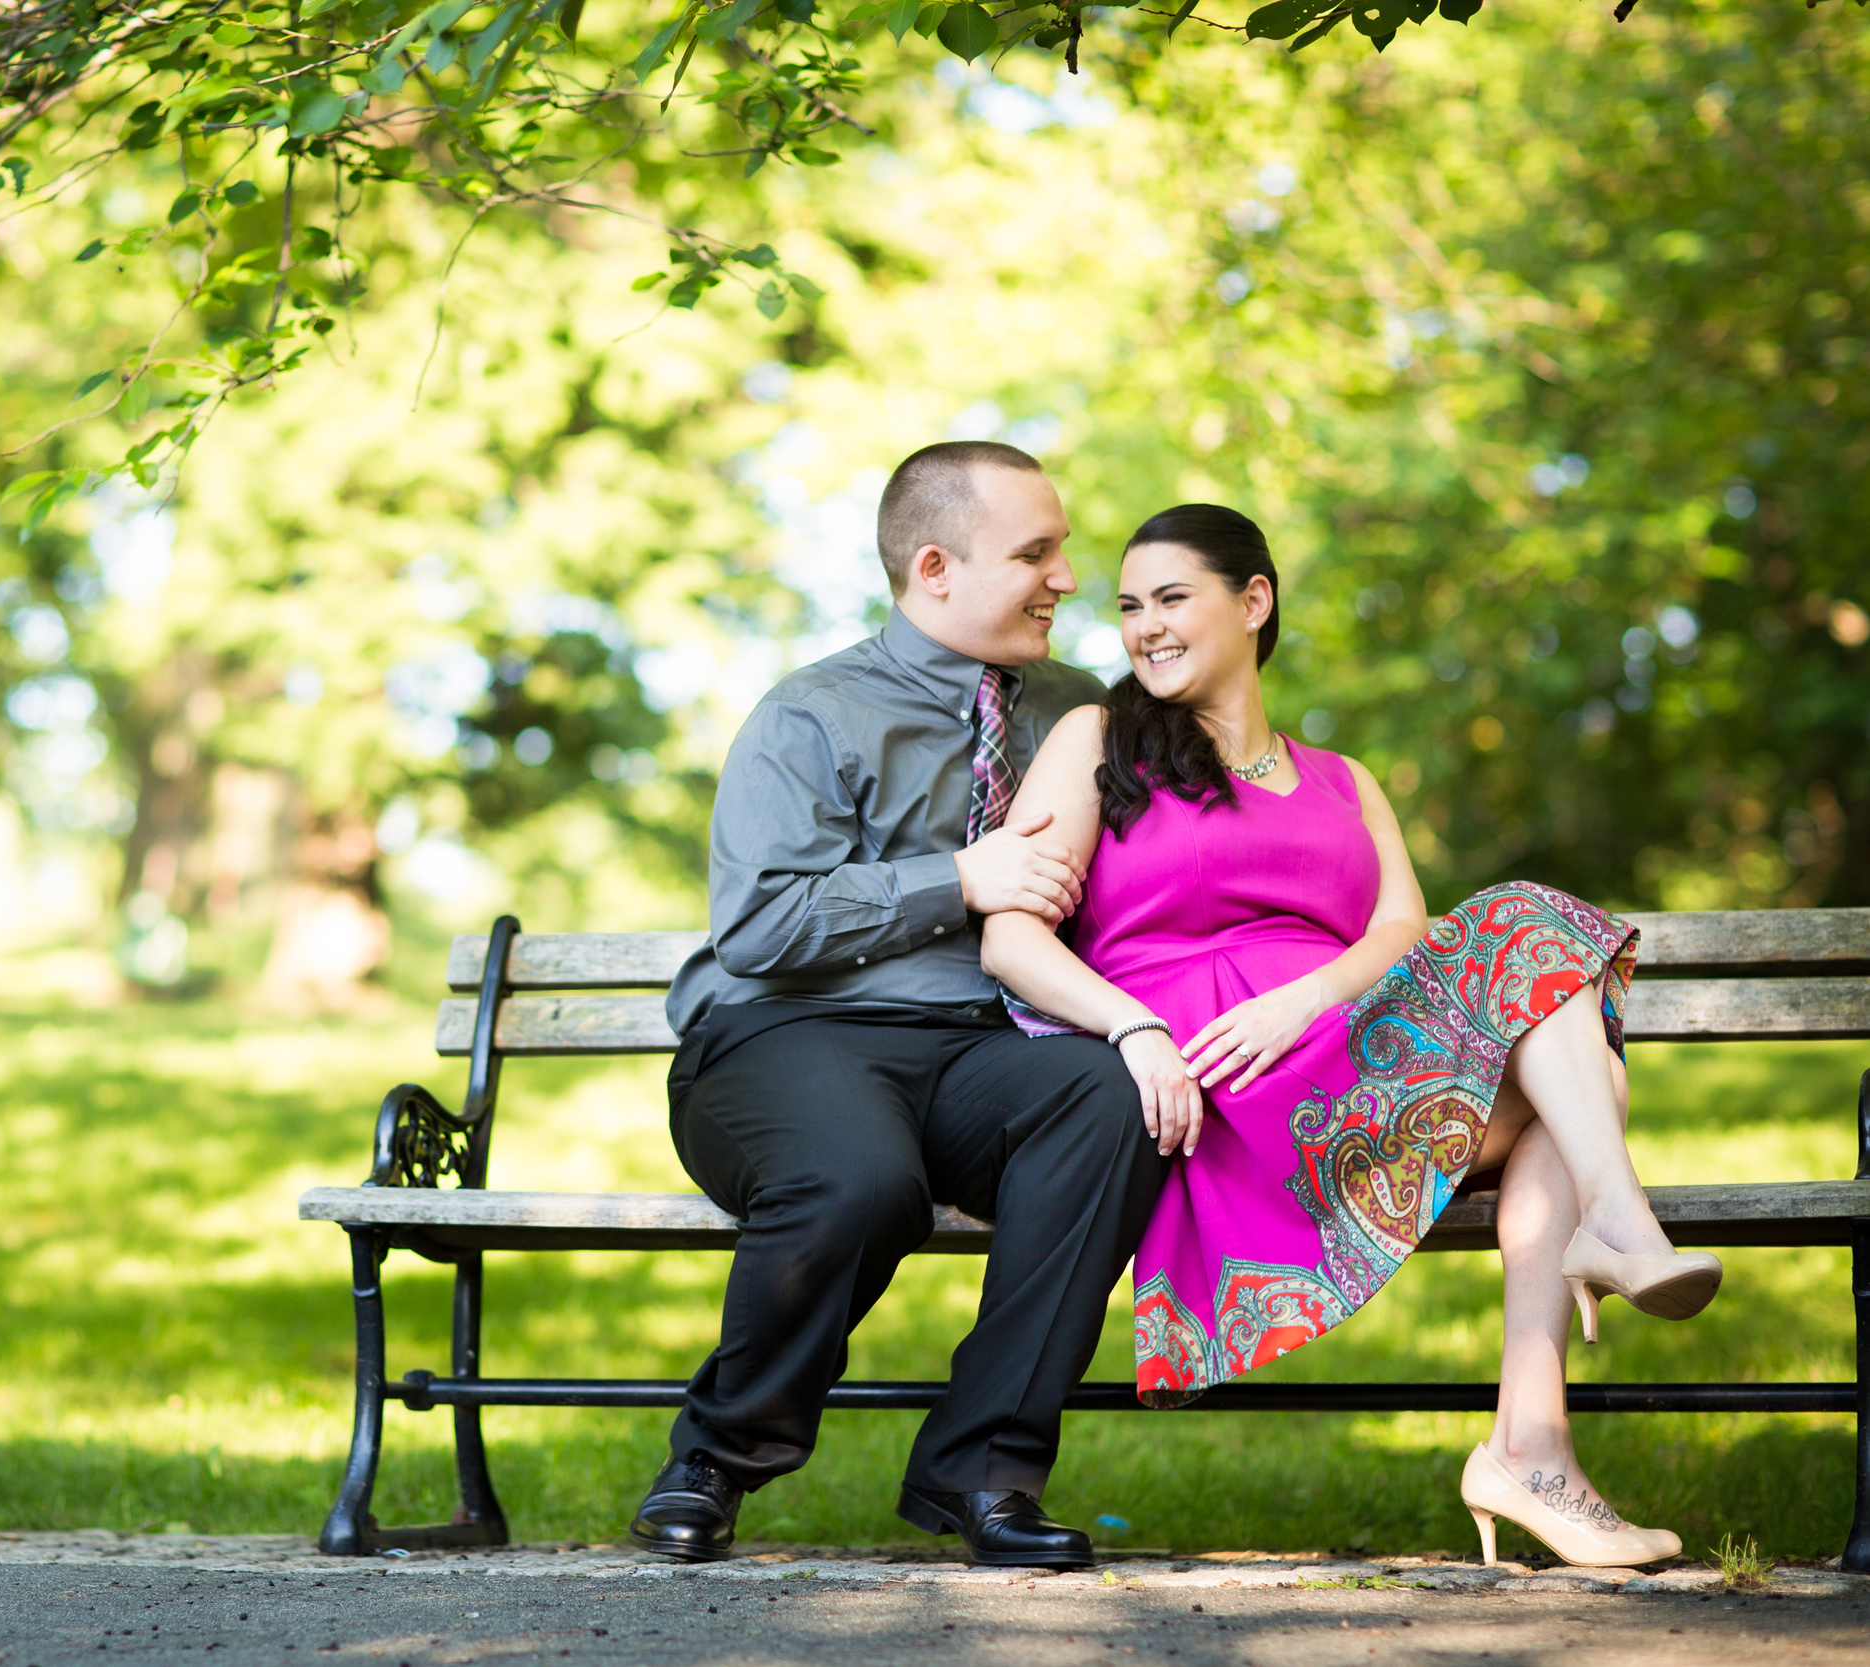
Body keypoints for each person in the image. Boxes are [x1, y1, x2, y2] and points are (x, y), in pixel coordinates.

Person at [979, 503, 1723, 1569]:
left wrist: (1307, 998)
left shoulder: (1342, 777)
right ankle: (1613, 1240)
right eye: (1129, 605)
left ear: (1253, 600)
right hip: (1215, 1082)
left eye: (1171, 597)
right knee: (1543, 968)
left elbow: (1401, 931)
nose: (1144, 626)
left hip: (1346, 1065)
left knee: (1574, 1079)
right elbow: (1010, 936)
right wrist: (1134, 1025)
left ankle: (1534, 1445)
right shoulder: (1099, 741)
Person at [632, 440, 1169, 1570]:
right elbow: (762, 928)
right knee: (857, 1179)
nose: (1066, 577)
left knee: (1106, 1100)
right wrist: (960, 877)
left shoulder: (1083, 711)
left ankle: (986, 1470)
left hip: (982, 1047)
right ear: (934, 566)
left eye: (1062, 548)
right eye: (1035, 552)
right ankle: (718, 1454)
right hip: (783, 1038)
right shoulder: (811, 712)